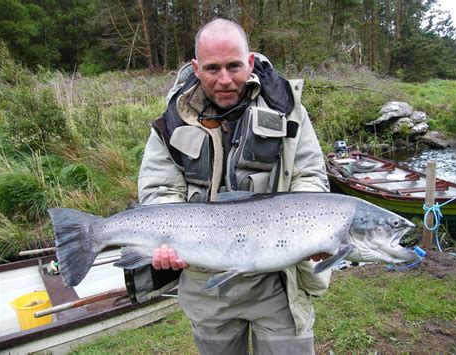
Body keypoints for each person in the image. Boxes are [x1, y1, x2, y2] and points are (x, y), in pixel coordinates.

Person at [138, 18, 331, 355]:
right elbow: (159, 192)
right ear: (196, 68)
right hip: (206, 286)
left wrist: (314, 230)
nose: (225, 80)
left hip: (279, 284)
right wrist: (163, 240)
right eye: (212, 68)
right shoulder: (170, 123)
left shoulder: (288, 111)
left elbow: (310, 176)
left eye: (234, 66)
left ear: (251, 62)